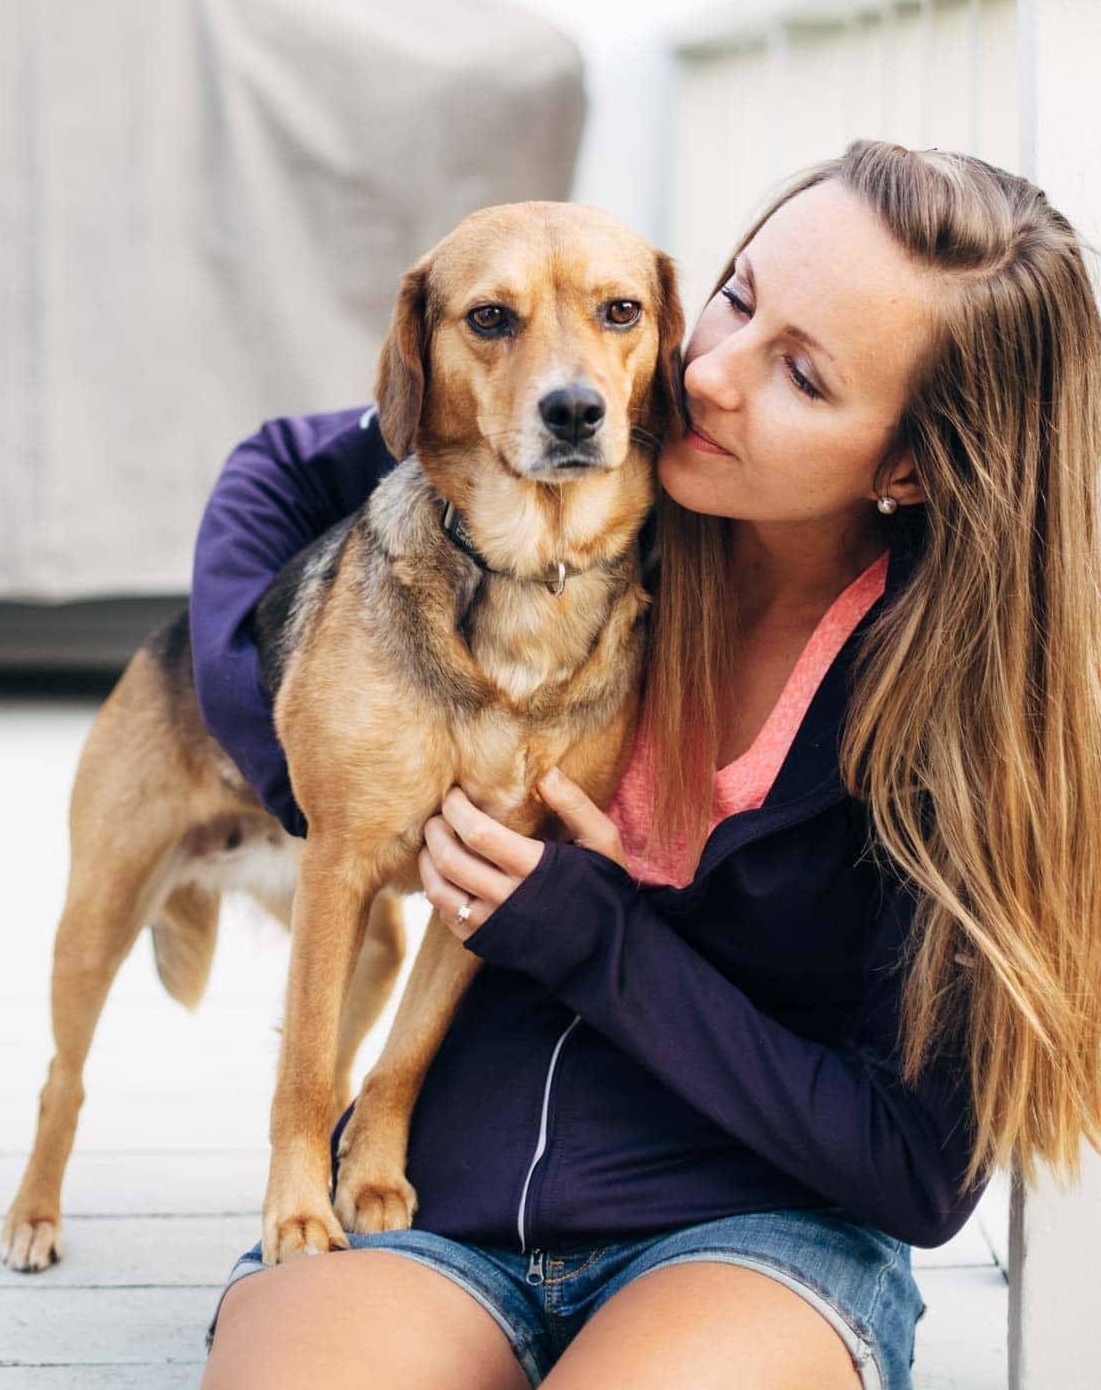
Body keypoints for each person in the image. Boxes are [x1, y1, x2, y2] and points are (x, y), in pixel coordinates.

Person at [194, 141, 1101, 1390]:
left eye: (800, 374)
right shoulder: (590, 481)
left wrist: (599, 939)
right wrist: (289, 749)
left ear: (910, 466)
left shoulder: (952, 719)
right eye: (734, 297)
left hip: (745, 1236)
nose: (708, 375)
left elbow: (917, 1168)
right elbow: (281, 470)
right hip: (426, 1201)